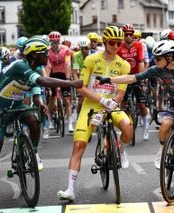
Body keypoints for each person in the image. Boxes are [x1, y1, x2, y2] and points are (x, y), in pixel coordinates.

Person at [97, 39, 174, 195]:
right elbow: (133, 78)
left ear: (170, 57)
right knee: (164, 124)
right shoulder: (158, 69)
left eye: (158, 58)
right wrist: (109, 80)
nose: (155, 60)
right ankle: (163, 151)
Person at [0, 37, 83, 208]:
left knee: (33, 118)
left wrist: (40, 104)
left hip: (16, 104)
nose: (47, 55)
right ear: (34, 54)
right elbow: (44, 81)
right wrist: (71, 83)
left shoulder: (36, 67)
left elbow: (36, 92)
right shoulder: (20, 65)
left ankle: (34, 153)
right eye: (44, 53)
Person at [57, 26, 133, 201]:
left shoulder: (124, 64)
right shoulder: (91, 60)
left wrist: (113, 102)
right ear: (105, 42)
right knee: (79, 145)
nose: (116, 46)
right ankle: (70, 189)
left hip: (111, 106)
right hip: (91, 106)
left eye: (119, 43)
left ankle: (122, 152)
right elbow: (81, 87)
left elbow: (121, 91)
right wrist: (101, 100)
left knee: (128, 127)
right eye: (113, 42)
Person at [118, 24, 149, 141]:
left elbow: (141, 61)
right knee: (123, 103)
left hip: (136, 76)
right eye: (126, 35)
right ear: (123, 35)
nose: (129, 37)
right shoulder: (119, 46)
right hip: (125, 77)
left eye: (131, 34)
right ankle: (123, 126)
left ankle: (145, 125)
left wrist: (140, 77)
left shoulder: (139, 45)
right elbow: (118, 63)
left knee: (141, 105)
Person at [45, 31, 74, 133]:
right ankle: (50, 120)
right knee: (52, 99)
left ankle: (70, 122)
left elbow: (67, 64)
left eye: (56, 42)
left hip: (63, 74)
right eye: (52, 42)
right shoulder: (47, 51)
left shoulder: (65, 50)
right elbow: (48, 66)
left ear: (59, 41)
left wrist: (67, 79)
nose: (54, 45)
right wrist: (47, 80)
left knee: (66, 100)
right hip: (53, 75)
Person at [72, 37, 91, 115]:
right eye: (82, 49)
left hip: (91, 79)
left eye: (86, 48)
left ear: (89, 47)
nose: (84, 51)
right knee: (80, 101)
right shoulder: (76, 56)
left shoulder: (93, 55)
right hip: (81, 79)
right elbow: (75, 72)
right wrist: (77, 83)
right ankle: (79, 117)